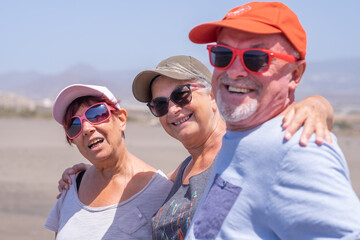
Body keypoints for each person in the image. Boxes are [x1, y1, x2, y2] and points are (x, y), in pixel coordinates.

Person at [57, 56, 334, 239]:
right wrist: (90, 173)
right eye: (161, 105)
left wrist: (318, 105)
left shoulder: (245, 152)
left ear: (213, 95)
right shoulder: (180, 176)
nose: (173, 109)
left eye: (182, 95)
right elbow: (131, 188)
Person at [183, 2, 360, 239]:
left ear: (295, 74)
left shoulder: (297, 151)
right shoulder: (243, 138)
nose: (234, 71)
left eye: (257, 59)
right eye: (223, 55)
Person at [44, 84, 173, 239]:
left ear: (121, 119)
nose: (86, 128)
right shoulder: (71, 185)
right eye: (74, 125)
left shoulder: (162, 191)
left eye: (96, 114)